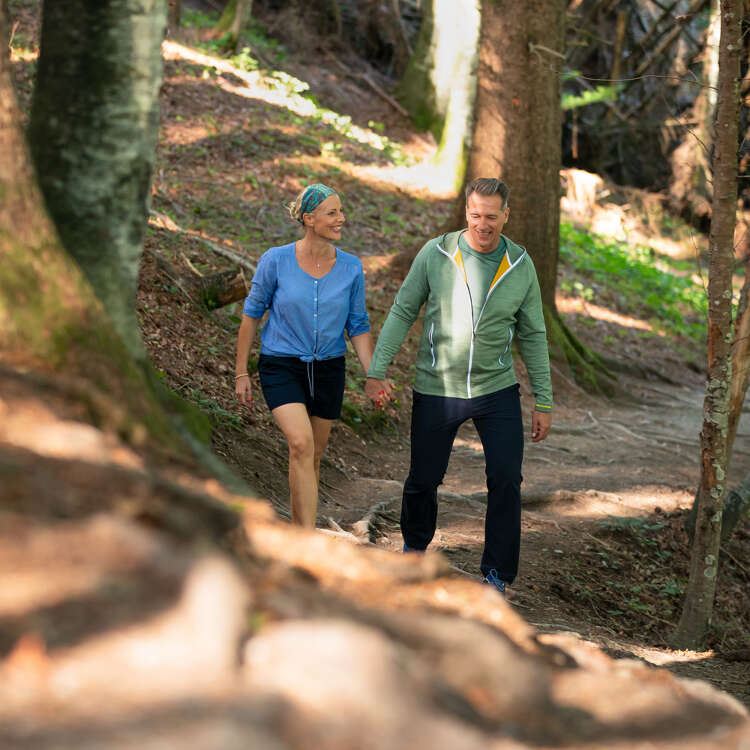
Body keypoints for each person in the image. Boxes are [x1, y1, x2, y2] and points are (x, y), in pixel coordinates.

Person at [365, 177, 552, 595]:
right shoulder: (436, 254)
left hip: (497, 390)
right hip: (438, 387)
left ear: (506, 215)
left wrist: (545, 398)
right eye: (475, 215)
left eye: (491, 216)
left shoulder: (520, 265)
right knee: (423, 478)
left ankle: (496, 576)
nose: (482, 224)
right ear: (465, 212)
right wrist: (377, 369)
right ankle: (414, 551)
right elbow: (402, 311)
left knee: (506, 478)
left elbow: (534, 334)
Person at [235, 183, 386, 527]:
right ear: (309, 218)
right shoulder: (276, 260)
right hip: (281, 365)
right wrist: (241, 372)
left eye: (341, 211)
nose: (341, 219)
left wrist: (373, 375)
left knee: (313, 457)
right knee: (300, 444)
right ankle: (304, 539)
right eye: (332, 213)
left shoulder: (350, 268)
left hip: (330, 369)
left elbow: (358, 325)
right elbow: (251, 315)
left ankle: (302, 533)